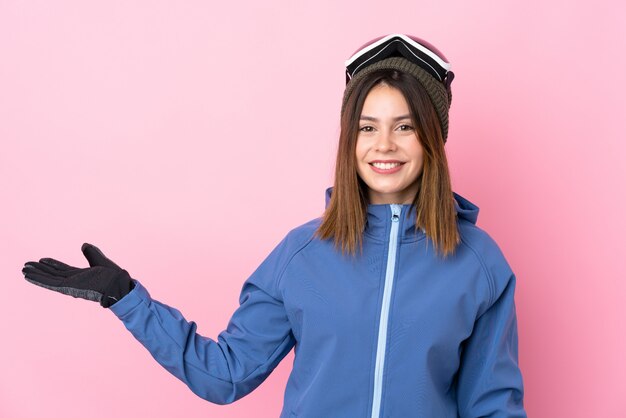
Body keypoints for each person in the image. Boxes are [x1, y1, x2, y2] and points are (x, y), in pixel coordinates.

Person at [22, 33, 527, 417]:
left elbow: (493, 406)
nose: (384, 145)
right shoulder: (303, 253)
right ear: (350, 139)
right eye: (367, 127)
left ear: (432, 140)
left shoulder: (478, 262)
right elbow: (225, 375)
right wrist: (127, 298)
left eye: (405, 127)